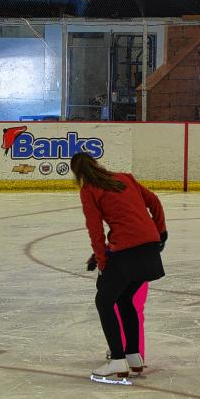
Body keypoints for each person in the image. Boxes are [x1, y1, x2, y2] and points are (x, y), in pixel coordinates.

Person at [71, 152, 167, 381]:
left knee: (103, 300)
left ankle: (117, 360)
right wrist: (161, 232)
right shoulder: (125, 178)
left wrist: (102, 263)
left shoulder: (89, 190)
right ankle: (133, 356)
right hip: (149, 246)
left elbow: (95, 231)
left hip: (128, 250)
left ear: (78, 174)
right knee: (124, 299)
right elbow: (154, 201)